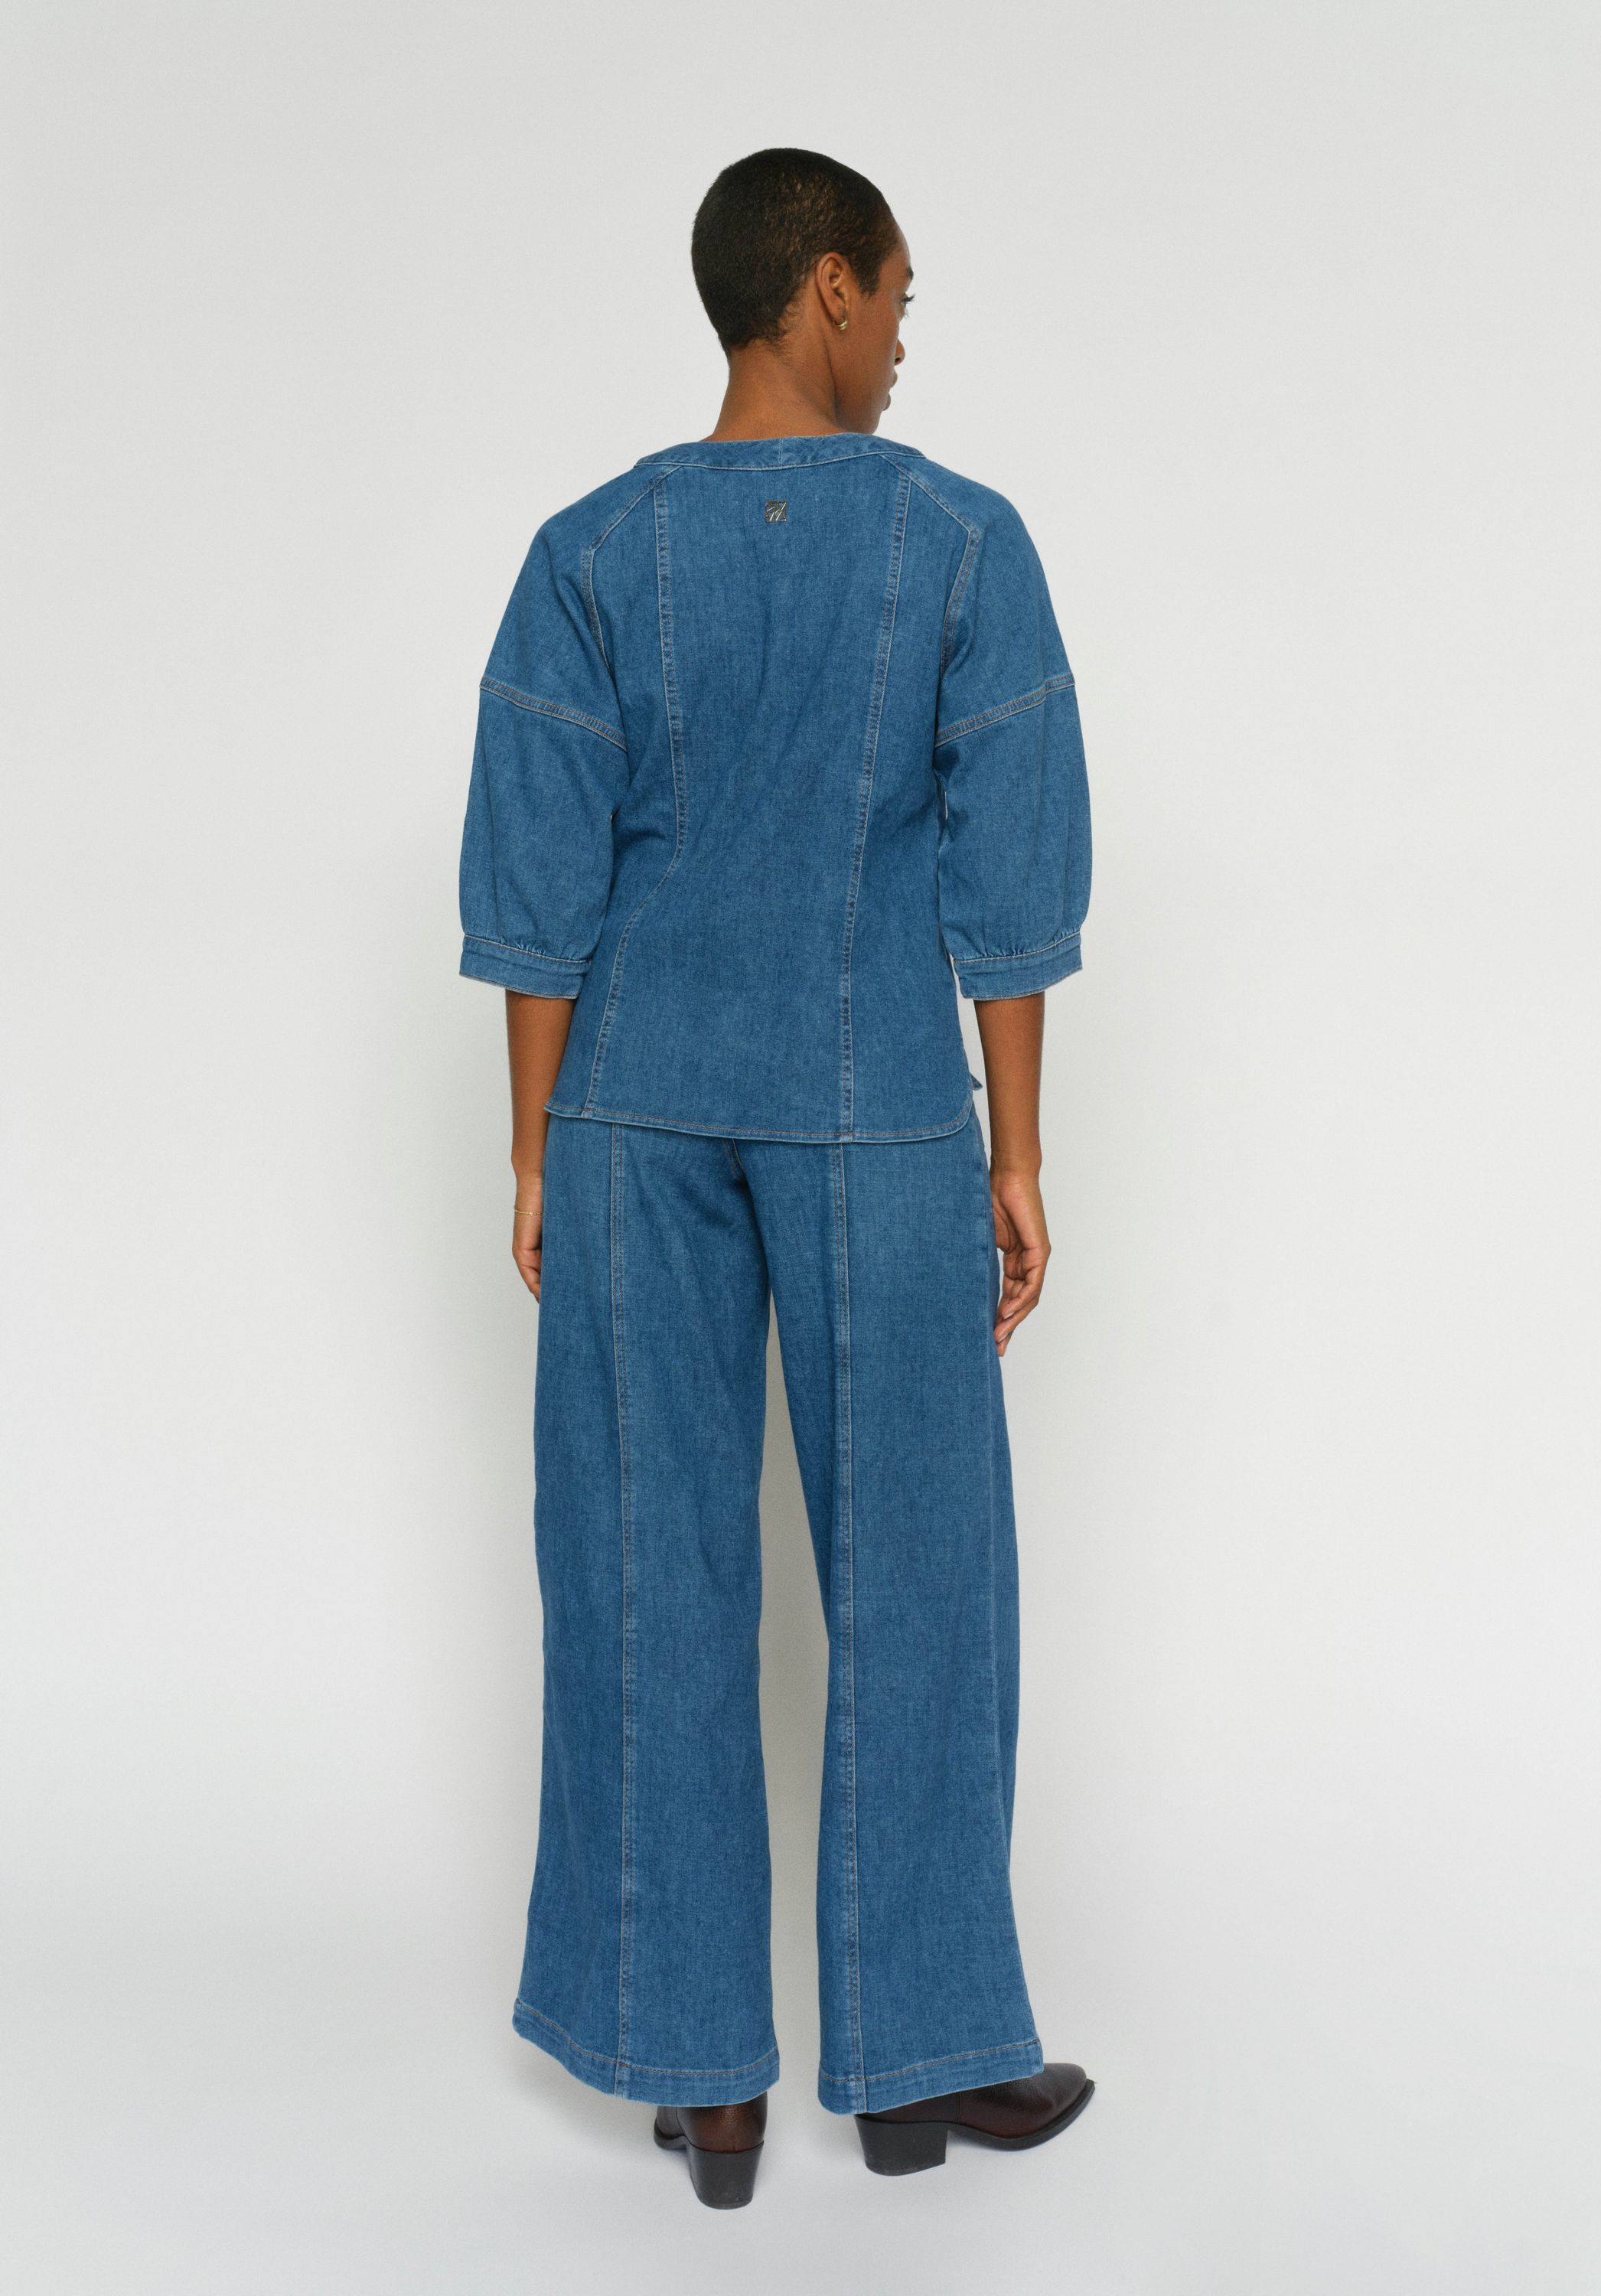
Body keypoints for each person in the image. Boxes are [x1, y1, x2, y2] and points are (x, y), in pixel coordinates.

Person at [457, 148, 1095, 2208]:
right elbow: (1013, 877)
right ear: (826, 287)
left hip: (630, 1117)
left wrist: (534, 1150)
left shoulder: (589, 551)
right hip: (880, 1115)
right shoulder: (963, 544)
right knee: (925, 1579)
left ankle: (702, 2080)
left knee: (643, 1575)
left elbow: (535, 882)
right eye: (898, 297)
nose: (904, 340)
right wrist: (1019, 1154)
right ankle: (926, 2059)